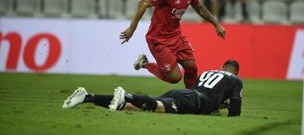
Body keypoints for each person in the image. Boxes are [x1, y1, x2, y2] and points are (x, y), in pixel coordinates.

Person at [120, 0, 225, 89]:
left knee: (192, 67)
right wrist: (132, 28)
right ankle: (145, 63)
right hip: (159, 39)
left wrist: (216, 25)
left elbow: (200, 8)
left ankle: (192, 98)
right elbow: (143, 3)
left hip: (176, 36)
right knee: (175, 78)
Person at [62, 59, 242, 117]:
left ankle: (88, 97)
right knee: (157, 106)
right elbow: (235, 112)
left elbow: (202, 92)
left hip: (185, 94)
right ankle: (127, 95)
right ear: (235, 72)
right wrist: (227, 107)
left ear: (222, 68)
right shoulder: (236, 80)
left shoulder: (208, 72)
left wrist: (218, 105)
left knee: (141, 108)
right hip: (192, 100)